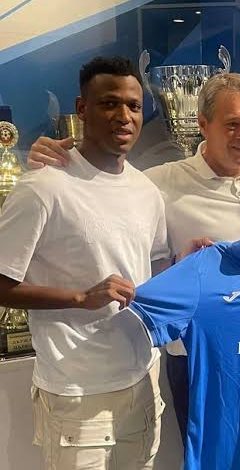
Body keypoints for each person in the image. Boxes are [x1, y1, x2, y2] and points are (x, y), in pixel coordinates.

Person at [27, 72, 240, 446]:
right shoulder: (159, 182)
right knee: (209, 458)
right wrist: (58, 160)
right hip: (197, 353)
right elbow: (102, 188)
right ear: (203, 124)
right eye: (232, 124)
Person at [0, 56, 206, 470]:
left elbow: (149, 273)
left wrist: (184, 264)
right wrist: (80, 297)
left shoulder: (146, 191)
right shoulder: (42, 188)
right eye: (110, 103)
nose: (124, 116)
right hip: (77, 394)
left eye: (133, 105)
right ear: (82, 109)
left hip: (143, 380)